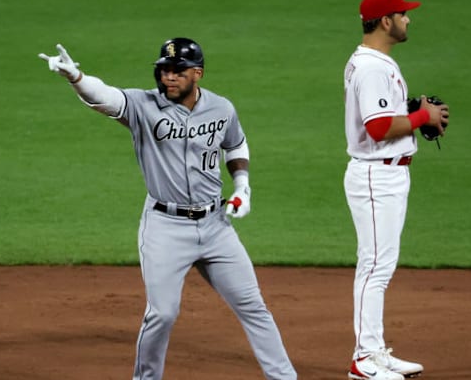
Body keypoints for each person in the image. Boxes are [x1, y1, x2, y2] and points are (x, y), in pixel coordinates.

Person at [38, 38, 298, 380]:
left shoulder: (222, 109)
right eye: (164, 70)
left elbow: (235, 144)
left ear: (198, 73)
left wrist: (242, 187)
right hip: (165, 227)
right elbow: (105, 97)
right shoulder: (143, 106)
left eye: (177, 71)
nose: (168, 78)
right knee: (162, 314)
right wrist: (77, 78)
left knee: (253, 305)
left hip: (217, 225)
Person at [342, 0, 449, 380]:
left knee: (379, 266)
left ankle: (374, 352)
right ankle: (364, 360)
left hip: (386, 173)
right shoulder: (371, 67)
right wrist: (422, 116)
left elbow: (382, 118)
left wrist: (412, 113)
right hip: (376, 175)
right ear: (386, 20)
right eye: (403, 14)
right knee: (374, 268)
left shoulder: (373, 61)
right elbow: (379, 127)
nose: (408, 19)